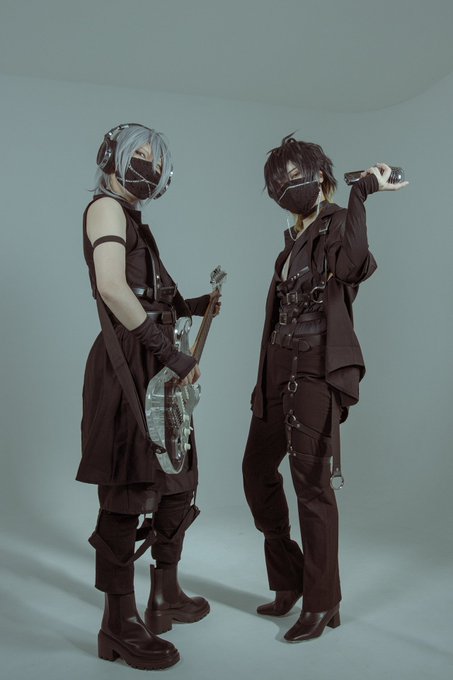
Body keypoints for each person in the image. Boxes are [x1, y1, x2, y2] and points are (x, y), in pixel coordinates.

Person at [242, 135, 408, 643]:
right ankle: (290, 578)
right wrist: (262, 380)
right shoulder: (291, 241)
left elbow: (353, 265)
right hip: (276, 368)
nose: (287, 187)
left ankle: (322, 601)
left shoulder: (337, 224)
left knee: (311, 487)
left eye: (296, 176)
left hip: (313, 369)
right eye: (279, 181)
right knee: (256, 471)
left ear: (321, 177)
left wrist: (361, 195)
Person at [76, 123, 220, 670]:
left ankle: (165, 595)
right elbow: (112, 288)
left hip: (155, 360)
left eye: (154, 159)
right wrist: (170, 353)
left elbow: (149, 294)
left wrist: (194, 305)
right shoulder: (105, 209)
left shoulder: (135, 220)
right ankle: (118, 623)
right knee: (128, 486)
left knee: (178, 477)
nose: (148, 166)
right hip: (127, 362)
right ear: (110, 157)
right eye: (137, 154)